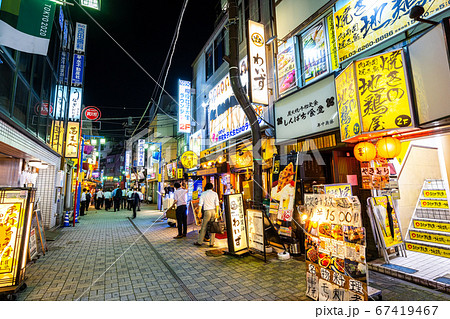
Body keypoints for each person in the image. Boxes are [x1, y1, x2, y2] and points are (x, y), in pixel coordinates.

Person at [194, 183, 219, 247]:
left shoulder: (203, 194)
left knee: (204, 227)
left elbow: (200, 204)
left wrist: (199, 212)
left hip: (207, 211)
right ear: (212, 187)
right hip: (213, 211)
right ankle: (212, 243)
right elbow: (217, 204)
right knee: (213, 226)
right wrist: (216, 212)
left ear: (206, 187)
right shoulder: (215, 194)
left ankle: (200, 242)